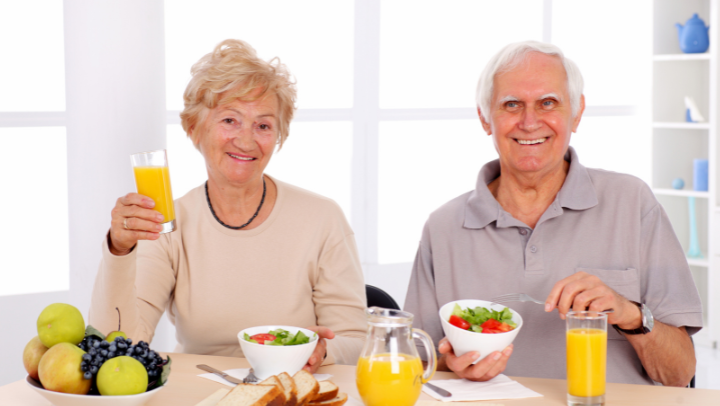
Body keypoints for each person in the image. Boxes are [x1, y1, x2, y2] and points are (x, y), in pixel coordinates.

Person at [404, 40, 702, 386]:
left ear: (576, 113)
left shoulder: (633, 202)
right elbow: (415, 365)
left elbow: (680, 373)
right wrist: (452, 365)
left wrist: (630, 314)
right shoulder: (443, 228)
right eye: (511, 104)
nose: (529, 122)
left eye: (548, 103)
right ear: (485, 117)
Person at [89, 39, 367, 371]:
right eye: (229, 121)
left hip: (295, 389)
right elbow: (117, 346)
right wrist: (120, 250)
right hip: (202, 394)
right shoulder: (165, 224)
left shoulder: (322, 218)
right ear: (194, 129)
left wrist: (323, 351)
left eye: (263, 125)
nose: (246, 140)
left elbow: (355, 339)